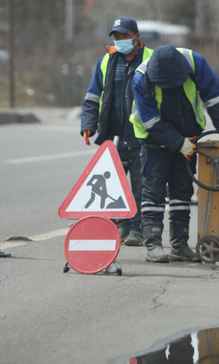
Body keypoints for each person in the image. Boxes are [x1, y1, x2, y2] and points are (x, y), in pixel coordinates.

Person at [130, 45, 219, 263]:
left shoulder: (195, 63)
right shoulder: (141, 77)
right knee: (153, 193)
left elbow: (215, 95)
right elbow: (150, 119)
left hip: (189, 138)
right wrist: (179, 144)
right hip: (154, 141)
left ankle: (179, 246)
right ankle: (153, 245)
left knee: (182, 192)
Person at [80, 17, 153, 247]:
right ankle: (120, 225)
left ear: (136, 36)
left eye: (125, 36)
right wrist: (88, 124)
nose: (120, 41)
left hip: (142, 136)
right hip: (113, 135)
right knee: (113, 186)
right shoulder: (106, 61)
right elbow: (93, 95)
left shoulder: (151, 59)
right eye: (117, 37)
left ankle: (137, 229)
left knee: (140, 186)